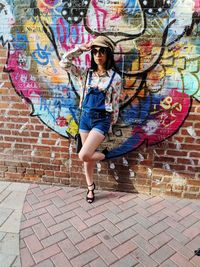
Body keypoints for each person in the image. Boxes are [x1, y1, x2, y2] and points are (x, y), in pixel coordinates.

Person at [59, 36, 122, 203]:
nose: (98, 55)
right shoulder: (85, 74)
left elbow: (115, 104)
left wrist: (110, 124)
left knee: (84, 155)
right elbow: (64, 63)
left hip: (102, 120)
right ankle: (90, 188)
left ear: (108, 53)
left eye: (102, 51)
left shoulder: (115, 78)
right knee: (87, 159)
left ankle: (104, 155)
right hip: (85, 118)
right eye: (95, 51)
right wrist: (82, 48)